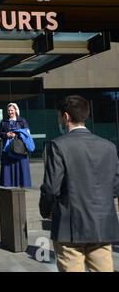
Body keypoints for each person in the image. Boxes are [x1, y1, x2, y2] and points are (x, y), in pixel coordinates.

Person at [39, 95, 119, 272]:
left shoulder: (58, 145)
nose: (59, 120)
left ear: (66, 117)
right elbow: (115, 187)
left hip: (70, 225)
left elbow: (51, 188)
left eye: (59, 116)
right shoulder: (109, 146)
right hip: (102, 224)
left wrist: (46, 210)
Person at [0, 103, 32, 188]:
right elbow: (0, 133)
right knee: (8, 164)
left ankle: (22, 183)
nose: (10, 112)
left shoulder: (22, 121)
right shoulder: (4, 121)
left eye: (12, 110)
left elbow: (27, 133)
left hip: (19, 146)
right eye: (9, 110)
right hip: (8, 147)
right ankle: (9, 183)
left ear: (16, 110)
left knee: (20, 164)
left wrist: (16, 135)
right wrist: (6, 134)